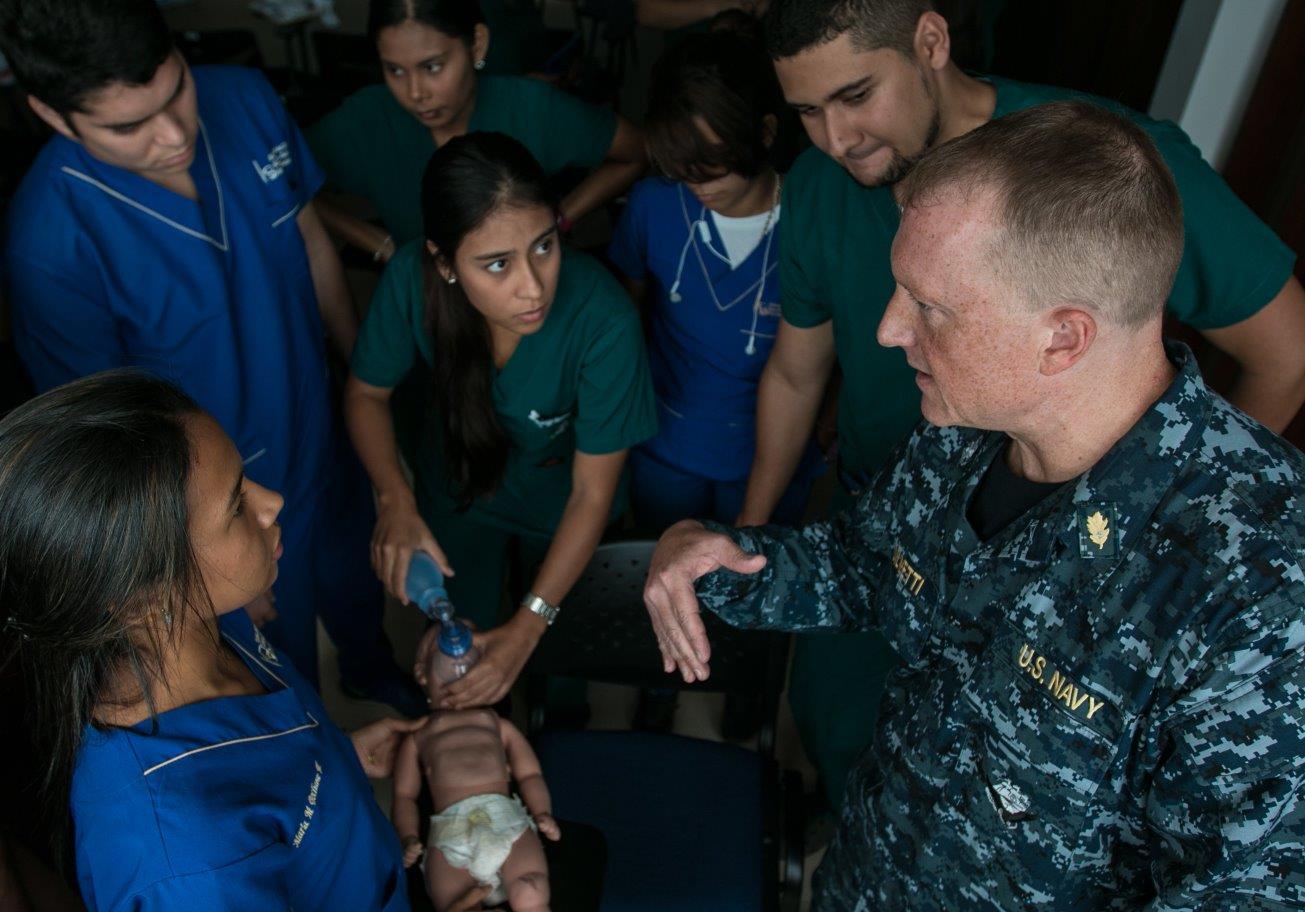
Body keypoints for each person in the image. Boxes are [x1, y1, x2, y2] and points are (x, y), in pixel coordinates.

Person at [643, 102, 1305, 910]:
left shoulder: (1262, 588)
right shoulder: (963, 425)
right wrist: (721, 557)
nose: (888, 330)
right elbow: (868, 562)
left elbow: (1242, 893)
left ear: (1063, 337)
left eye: (928, 306)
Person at [738, 0, 1305, 810]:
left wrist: (1157, 542)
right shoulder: (819, 187)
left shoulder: (1108, 166)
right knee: (851, 746)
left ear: (929, 42)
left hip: (1068, 591)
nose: (835, 138)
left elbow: (1284, 352)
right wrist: (753, 537)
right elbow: (796, 376)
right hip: (879, 536)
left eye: (856, 95)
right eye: (805, 110)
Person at [0, 0, 420, 714]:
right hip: (217, 508)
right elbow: (115, 447)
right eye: (128, 126)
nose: (173, 135)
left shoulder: (245, 101)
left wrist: (363, 382)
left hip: (319, 426)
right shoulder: (51, 247)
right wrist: (194, 573)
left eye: (176, 92)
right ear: (51, 113)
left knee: (355, 581)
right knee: (277, 670)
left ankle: (370, 666)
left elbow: (312, 243)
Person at [0, 370, 501, 911]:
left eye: (247, 478)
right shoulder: (187, 867)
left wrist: (337, 760)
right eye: (237, 506)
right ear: (140, 596)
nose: (273, 502)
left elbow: (262, 768)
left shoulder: (215, 623)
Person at [345, 132, 657, 710]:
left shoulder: (603, 317)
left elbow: (591, 493)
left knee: (560, 662)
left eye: (544, 247)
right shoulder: (411, 283)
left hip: (562, 504)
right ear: (445, 264)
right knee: (462, 651)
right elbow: (365, 393)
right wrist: (395, 500)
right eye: (497, 264)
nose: (532, 287)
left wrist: (533, 622)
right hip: (459, 490)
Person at [609, 31, 819, 535]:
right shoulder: (652, 204)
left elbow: (821, 365)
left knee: (752, 590)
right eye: (681, 167)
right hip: (664, 447)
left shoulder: (812, 221)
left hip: (771, 456)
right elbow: (624, 320)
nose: (695, 184)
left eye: (711, 164)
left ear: (766, 133)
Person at [307, 0, 646, 264]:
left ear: (478, 45)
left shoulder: (531, 107)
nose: (414, 93)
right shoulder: (368, 119)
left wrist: (559, 220)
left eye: (432, 66)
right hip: (429, 313)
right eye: (394, 70)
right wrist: (379, 243)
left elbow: (635, 153)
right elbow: (278, 180)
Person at [393, 650, 560, 911]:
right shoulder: (418, 735)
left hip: (506, 822)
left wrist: (542, 812)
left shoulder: (495, 723)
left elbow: (530, 774)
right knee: (453, 900)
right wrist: (408, 836)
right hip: (451, 834)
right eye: (442, 660)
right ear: (423, 676)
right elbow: (405, 796)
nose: (457, 666)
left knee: (531, 889)